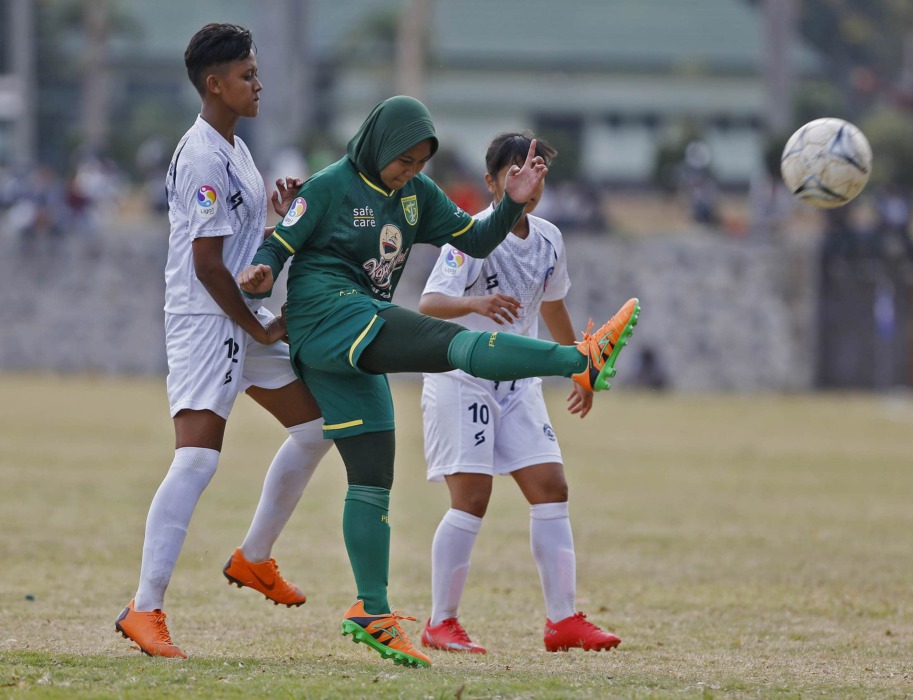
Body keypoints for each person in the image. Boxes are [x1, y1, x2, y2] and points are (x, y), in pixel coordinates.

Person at [238, 95, 640, 669]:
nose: (411, 172)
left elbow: (475, 239)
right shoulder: (331, 184)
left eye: (421, 163)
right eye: (404, 160)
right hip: (327, 316)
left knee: (373, 474)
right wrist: (260, 275)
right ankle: (579, 359)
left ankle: (372, 611)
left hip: (358, 329)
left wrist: (513, 204)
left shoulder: (418, 197)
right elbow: (279, 245)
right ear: (379, 145)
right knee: (450, 349)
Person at [115, 23, 332, 659]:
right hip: (209, 321)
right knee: (198, 459)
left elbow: (233, 240)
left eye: (257, 72)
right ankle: (144, 608)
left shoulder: (234, 149)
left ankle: (254, 558)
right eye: (247, 75)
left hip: (243, 315)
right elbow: (208, 263)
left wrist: (278, 210)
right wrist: (259, 324)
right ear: (215, 84)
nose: (258, 84)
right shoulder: (205, 155)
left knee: (319, 428)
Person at [416, 132, 622, 655]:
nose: (528, 179)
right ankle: (440, 623)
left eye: (537, 170)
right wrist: (477, 305)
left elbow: (552, 307)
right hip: (461, 379)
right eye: (515, 171)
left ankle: (563, 622)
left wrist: (581, 368)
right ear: (492, 182)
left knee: (551, 486)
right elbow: (430, 303)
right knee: (473, 497)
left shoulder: (550, 237)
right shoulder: (473, 234)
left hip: (518, 385)